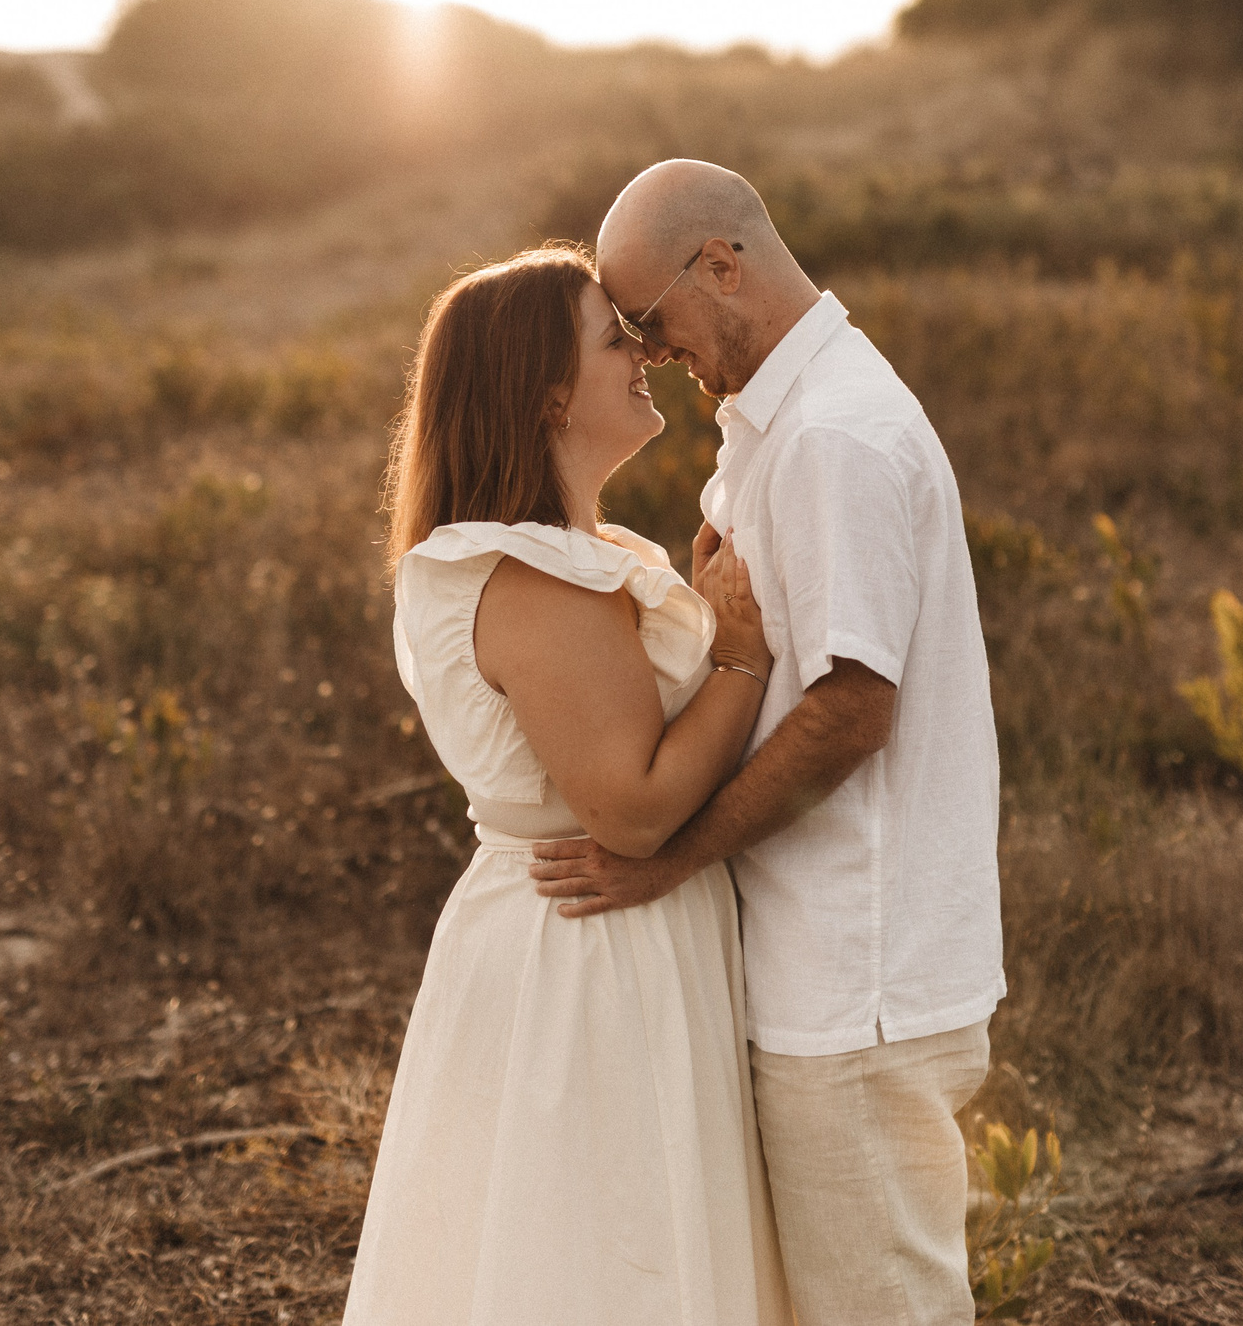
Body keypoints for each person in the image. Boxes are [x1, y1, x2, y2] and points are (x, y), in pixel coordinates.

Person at [530, 159, 1006, 1326]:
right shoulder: (778, 420)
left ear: (723, 266)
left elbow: (853, 708)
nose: (646, 353)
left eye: (649, 322)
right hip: (823, 969)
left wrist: (667, 861)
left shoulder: (833, 436)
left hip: (859, 983)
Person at [342, 244, 790, 1325]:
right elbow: (631, 809)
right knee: (606, 1255)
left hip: (571, 932)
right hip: (591, 947)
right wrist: (738, 659)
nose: (642, 354)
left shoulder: (558, 556)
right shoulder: (540, 579)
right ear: (546, 389)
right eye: (611, 339)